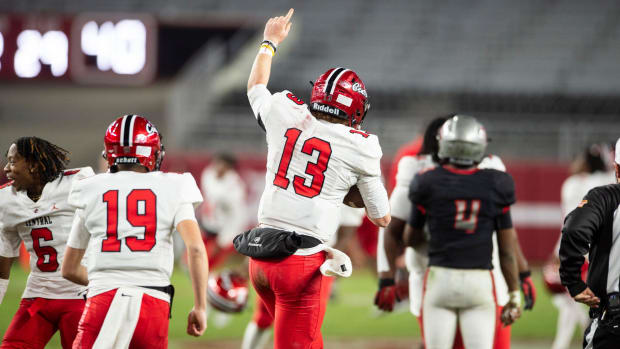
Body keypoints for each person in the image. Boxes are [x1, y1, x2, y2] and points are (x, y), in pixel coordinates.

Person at [245, 8, 390, 348]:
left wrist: (269, 42)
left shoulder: (284, 110)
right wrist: (339, 187)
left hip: (260, 257)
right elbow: (381, 215)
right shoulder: (362, 146)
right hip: (300, 261)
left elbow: (255, 87)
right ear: (356, 109)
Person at [376, 117, 535, 349]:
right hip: (482, 280)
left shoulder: (424, 179)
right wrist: (517, 285)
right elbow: (507, 242)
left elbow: (407, 237)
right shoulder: (495, 179)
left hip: (438, 279)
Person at [61, 115, 209, 348]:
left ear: (109, 154)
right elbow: (196, 249)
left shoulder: (90, 189)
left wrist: (111, 279)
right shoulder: (175, 185)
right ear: (153, 152)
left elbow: (69, 269)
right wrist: (200, 306)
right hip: (153, 303)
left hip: (102, 300)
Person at [0, 137, 94, 349]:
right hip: (38, 296)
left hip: (80, 295)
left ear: (33, 165)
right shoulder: (6, 200)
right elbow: (3, 263)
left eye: (13, 161)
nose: (6, 168)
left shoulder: (78, 182)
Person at [241, 204, 365, 349]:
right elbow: (380, 218)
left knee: (302, 332)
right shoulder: (347, 187)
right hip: (297, 260)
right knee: (302, 334)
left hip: (289, 258)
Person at [547, 144, 614, 349]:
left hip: (572, 247)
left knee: (576, 302)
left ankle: (572, 341)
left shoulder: (571, 183)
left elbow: (570, 222)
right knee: (588, 304)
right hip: (597, 251)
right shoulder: (606, 182)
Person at [199, 153, 247, 268]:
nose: (218, 167)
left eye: (222, 165)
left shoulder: (236, 186)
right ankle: (195, 269)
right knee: (198, 251)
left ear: (229, 168)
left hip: (228, 224)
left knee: (216, 254)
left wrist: (226, 236)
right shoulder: (209, 174)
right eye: (217, 163)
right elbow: (211, 193)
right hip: (210, 221)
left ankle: (208, 273)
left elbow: (236, 212)